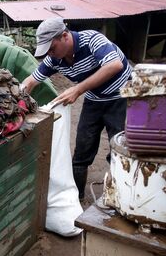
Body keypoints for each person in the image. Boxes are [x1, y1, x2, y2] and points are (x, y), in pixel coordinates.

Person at [21, 17, 132, 200]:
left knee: (118, 148)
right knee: (82, 148)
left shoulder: (92, 40)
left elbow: (114, 65)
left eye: (52, 48)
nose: (50, 53)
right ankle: (76, 197)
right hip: (94, 100)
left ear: (64, 36)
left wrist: (78, 89)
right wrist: (17, 96)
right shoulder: (55, 59)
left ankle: (118, 196)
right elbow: (32, 80)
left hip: (120, 98)